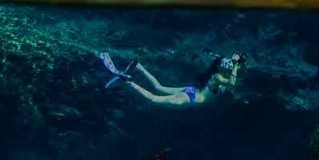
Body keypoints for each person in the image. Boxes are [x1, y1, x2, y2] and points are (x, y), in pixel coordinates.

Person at [100, 52, 246, 107]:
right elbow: (232, 83)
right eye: (226, 63)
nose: (229, 65)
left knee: (159, 87)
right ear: (220, 67)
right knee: (154, 98)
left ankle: (138, 66)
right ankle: (129, 82)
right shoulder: (218, 77)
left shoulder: (220, 74)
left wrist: (237, 62)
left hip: (192, 90)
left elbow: (236, 72)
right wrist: (234, 65)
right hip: (192, 97)